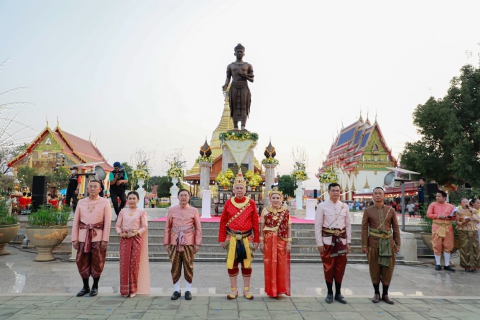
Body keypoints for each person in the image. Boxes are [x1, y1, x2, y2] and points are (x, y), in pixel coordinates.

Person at [218, 169, 260, 300]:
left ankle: (246, 290)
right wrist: (221, 238)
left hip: (247, 238)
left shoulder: (251, 203)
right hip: (231, 238)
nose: (240, 190)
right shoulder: (228, 203)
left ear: (245, 189)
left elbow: (255, 222)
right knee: (233, 263)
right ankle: (233, 290)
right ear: (233, 189)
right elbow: (223, 221)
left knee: (247, 265)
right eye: (237, 188)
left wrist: (257, 239)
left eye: (242, 188)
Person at [71, 180, 112, 297]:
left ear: (100, 189)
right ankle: (85, 286)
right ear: (87, 189)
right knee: (81, 261)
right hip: (83, 236)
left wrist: (105, 239)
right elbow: (76, 222)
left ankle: (95, 286)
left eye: (95, 187)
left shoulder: (105, 202)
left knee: (97, 261)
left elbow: (107, 222)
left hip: (98, 236)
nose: (93, 189)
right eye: (91, 187)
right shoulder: (81, 202)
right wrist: (75, 238)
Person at [362, 187, 401, 304]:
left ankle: (385, 294)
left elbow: (396, 228)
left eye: (380, 193)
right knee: (374, 269)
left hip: (388, 244)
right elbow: (364, 228)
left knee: (388, 269)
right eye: (376, 193)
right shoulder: (368, 211)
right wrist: (364, 244)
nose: (378, 195)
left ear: (384, 196)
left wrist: (397, 243)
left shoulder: (391, 210)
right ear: (372, 196)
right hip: (373, 244)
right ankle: (376, 293)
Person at [315, 183, 351, 304]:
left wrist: (348, 242)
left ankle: (338, 293)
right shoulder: (322, 206)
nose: (336, 193)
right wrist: (319, 243)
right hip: (327, 242)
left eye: (337, 190)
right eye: (333, 190)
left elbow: (348, 225)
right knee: (328, 267)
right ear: (328, 191)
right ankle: (329, 293)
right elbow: (318, 225)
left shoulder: (344, 206)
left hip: (341, 241)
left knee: (340, 268)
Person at [164, 189, 202, 301]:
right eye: (181, 195)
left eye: (186, 195)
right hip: (175, 242)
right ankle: (176, 290)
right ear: (178, 197)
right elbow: (167, 227)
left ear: (189, 197)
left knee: (188, 266)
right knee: (175, 266)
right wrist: (166, 242)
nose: (184, 197)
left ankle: (188, 290)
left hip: (188, 242)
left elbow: (198, 228)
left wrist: (197, 243)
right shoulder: (172, 210)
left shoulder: (194, 210)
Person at [116, 191, 150, 297]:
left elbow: (145, 226)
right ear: (127, 200)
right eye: (130, 198)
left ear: (138, 200)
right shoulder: (123, 212)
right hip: (125, 239)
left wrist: (136, 233)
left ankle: (133, 289)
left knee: (134, 264)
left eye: (134, 198)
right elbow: (117, 225)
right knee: (124, 264)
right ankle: (125, 290)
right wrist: (121, 233)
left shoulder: (141, 212)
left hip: (136, 239)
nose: (131, 201)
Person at [260, 187, 291, 299]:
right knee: (269, 264)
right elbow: (262, 227)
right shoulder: (265, 210)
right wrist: (261, 241)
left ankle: (279, 291)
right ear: (270, 199)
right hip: (268, 239)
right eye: (273, 198)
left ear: (281, 199)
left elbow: (288, 227)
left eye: (278, 198)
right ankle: (271, 290)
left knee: (281, 264)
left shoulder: (285, 211)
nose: (276, 200)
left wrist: (289, 242)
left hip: (281, 240)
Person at [222, 43, 254, 130]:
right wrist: (225, 85)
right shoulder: (230, 66)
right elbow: (228, 78)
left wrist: (245, 76)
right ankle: (235, 126)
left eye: (241, 52)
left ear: (243, 53)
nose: (239, 53)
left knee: (244, 106)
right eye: (238, 52)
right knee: (234, 106)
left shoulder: (248, 65)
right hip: (234, 87)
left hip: (244, 87)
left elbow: (252, 79)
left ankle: (243, 126)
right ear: (234, 53)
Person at [426, 190, 456, 271]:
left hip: (448, 227)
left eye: (439, 196)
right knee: (437, 244)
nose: (437, 198)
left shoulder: (451, 206)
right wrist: (438, 216)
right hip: (437, 227)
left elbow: (454, 218)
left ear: (444, 197)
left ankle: (447, 264)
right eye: (436, 196)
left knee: (448, 245)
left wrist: (453, 216)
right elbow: (428, 214)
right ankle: (438, 264)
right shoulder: (433, 205)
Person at [455, 198, 480, 272]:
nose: (465, 203)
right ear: (460, 204)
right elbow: (457, 222)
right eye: (463, 202)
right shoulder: (458, 212)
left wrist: (472, 215)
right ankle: (466, 265)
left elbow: (478, 220)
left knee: (474, 247)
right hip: (463, 230)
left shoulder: (474, 210)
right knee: (465, 247)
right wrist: (464, 222)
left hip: (473, 229)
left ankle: (474, 265)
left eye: (467, 202)